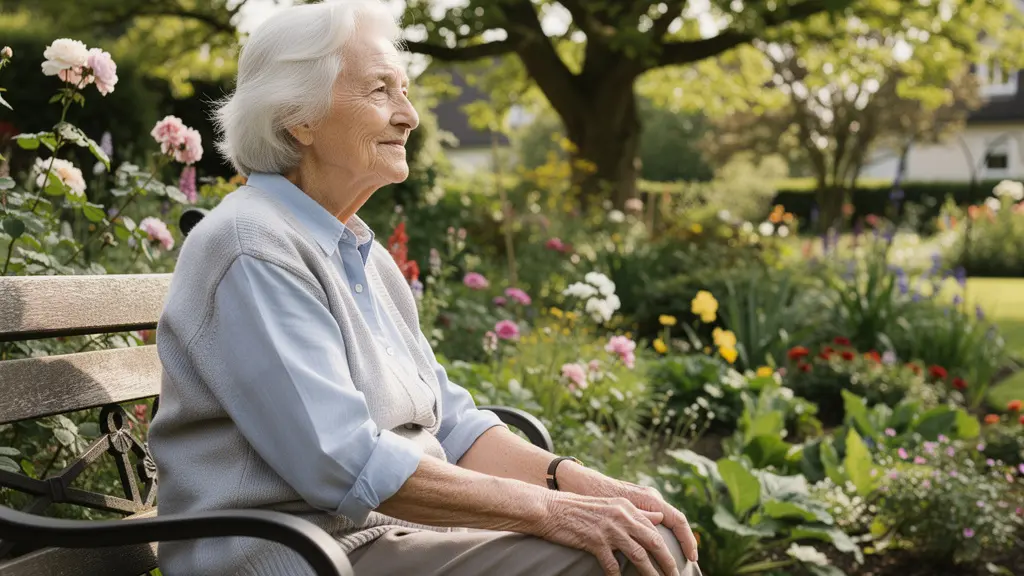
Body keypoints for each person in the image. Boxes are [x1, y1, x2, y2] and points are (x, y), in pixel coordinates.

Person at [148, 1, 702, 575]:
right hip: (298, 554)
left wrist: (577, 482)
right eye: (381, 90)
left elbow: (451, 425)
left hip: (385, 539)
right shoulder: (252, 245)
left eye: (405, 91)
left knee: (647, 530)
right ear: (298, 117)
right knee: (627, 556)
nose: (409, 115)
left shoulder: (357, 251)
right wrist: (552, 511)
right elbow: (343, 461)